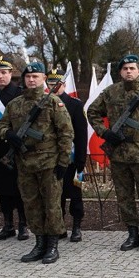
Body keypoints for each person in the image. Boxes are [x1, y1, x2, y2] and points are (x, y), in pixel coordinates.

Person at [0, 62, 74, 264]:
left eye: (36, 77)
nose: (31, 80)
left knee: (51, 205)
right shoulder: (14, 104)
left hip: (49, 163)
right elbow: (2, 126)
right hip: (25, 163)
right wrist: (10, 134)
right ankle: (39, 243)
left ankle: (52, 245)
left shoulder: (53, 103)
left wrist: (63, 162)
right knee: (31, 204)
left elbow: (66, 134)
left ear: (43, 79)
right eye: (28, 77)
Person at [87, 54, 139, 252]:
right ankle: (132, 233)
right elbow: (92, 112)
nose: (129, 71)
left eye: (132, 68)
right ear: (120, 72)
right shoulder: (110, 93)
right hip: (118, 153)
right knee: (124, 195)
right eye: (125, 68)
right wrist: (105, 133)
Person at [0, 56, 29, 241]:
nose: (0, 76)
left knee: (19, 187)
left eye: (4, 73)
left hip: (16, 146)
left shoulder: (20, 93)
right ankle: (7, 224)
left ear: (11, 74)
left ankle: (23, 225)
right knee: (2, 188)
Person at [47, 68, 88, 242]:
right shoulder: (44, 103)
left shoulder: (74, 105)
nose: (54, 87)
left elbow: (81, 134)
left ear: (63, 84)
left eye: (57, 84)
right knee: (57, 195)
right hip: (52, 158)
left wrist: (80, 160)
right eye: (50, 84)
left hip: (72, 158)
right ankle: (60, 226)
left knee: (75, 193)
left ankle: (76, 227)